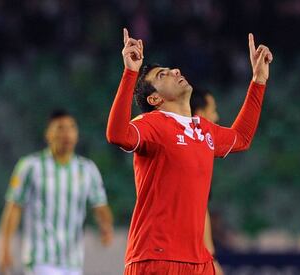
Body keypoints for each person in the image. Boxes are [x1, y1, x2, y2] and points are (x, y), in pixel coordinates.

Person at [106, 28, 272, 274]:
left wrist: (258, 81)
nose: (175, 71)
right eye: (163, 75)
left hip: (199, 261)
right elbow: (117, 135)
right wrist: (130, 72)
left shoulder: (204, 130)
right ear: (154, 99)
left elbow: (241, 138)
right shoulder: (152, 124)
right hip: (156, 257)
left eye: (172, 69)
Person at [0, 109, 114, 275]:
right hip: (40, 259)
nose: (67, 133)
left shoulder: (87, 169)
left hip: (73, 261)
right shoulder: (30, 166)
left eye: (72, 128)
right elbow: (14, 208)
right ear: (48, 134)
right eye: (60, 128)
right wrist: (4, 249)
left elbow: (100, 205)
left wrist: (106, 227)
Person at [190, 88, 223, 275]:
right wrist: (209, 256)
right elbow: (198, 209)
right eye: (213, 110)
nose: (217, 117)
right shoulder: (192, 155)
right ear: (200, 114)